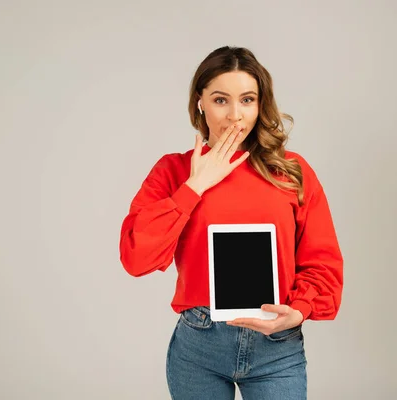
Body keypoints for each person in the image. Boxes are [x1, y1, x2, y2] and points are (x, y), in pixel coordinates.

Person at [119, 46, 344, 400]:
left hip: (276, 348)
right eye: (221, 100)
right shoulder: (173, 171)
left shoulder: (291, 171)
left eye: (248, 100)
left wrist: (299, 311)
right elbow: (137, 256)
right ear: (200, 103)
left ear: (260, 104)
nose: (235, 116)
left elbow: (323, 260)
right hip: (199, 348)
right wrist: (195, 186)